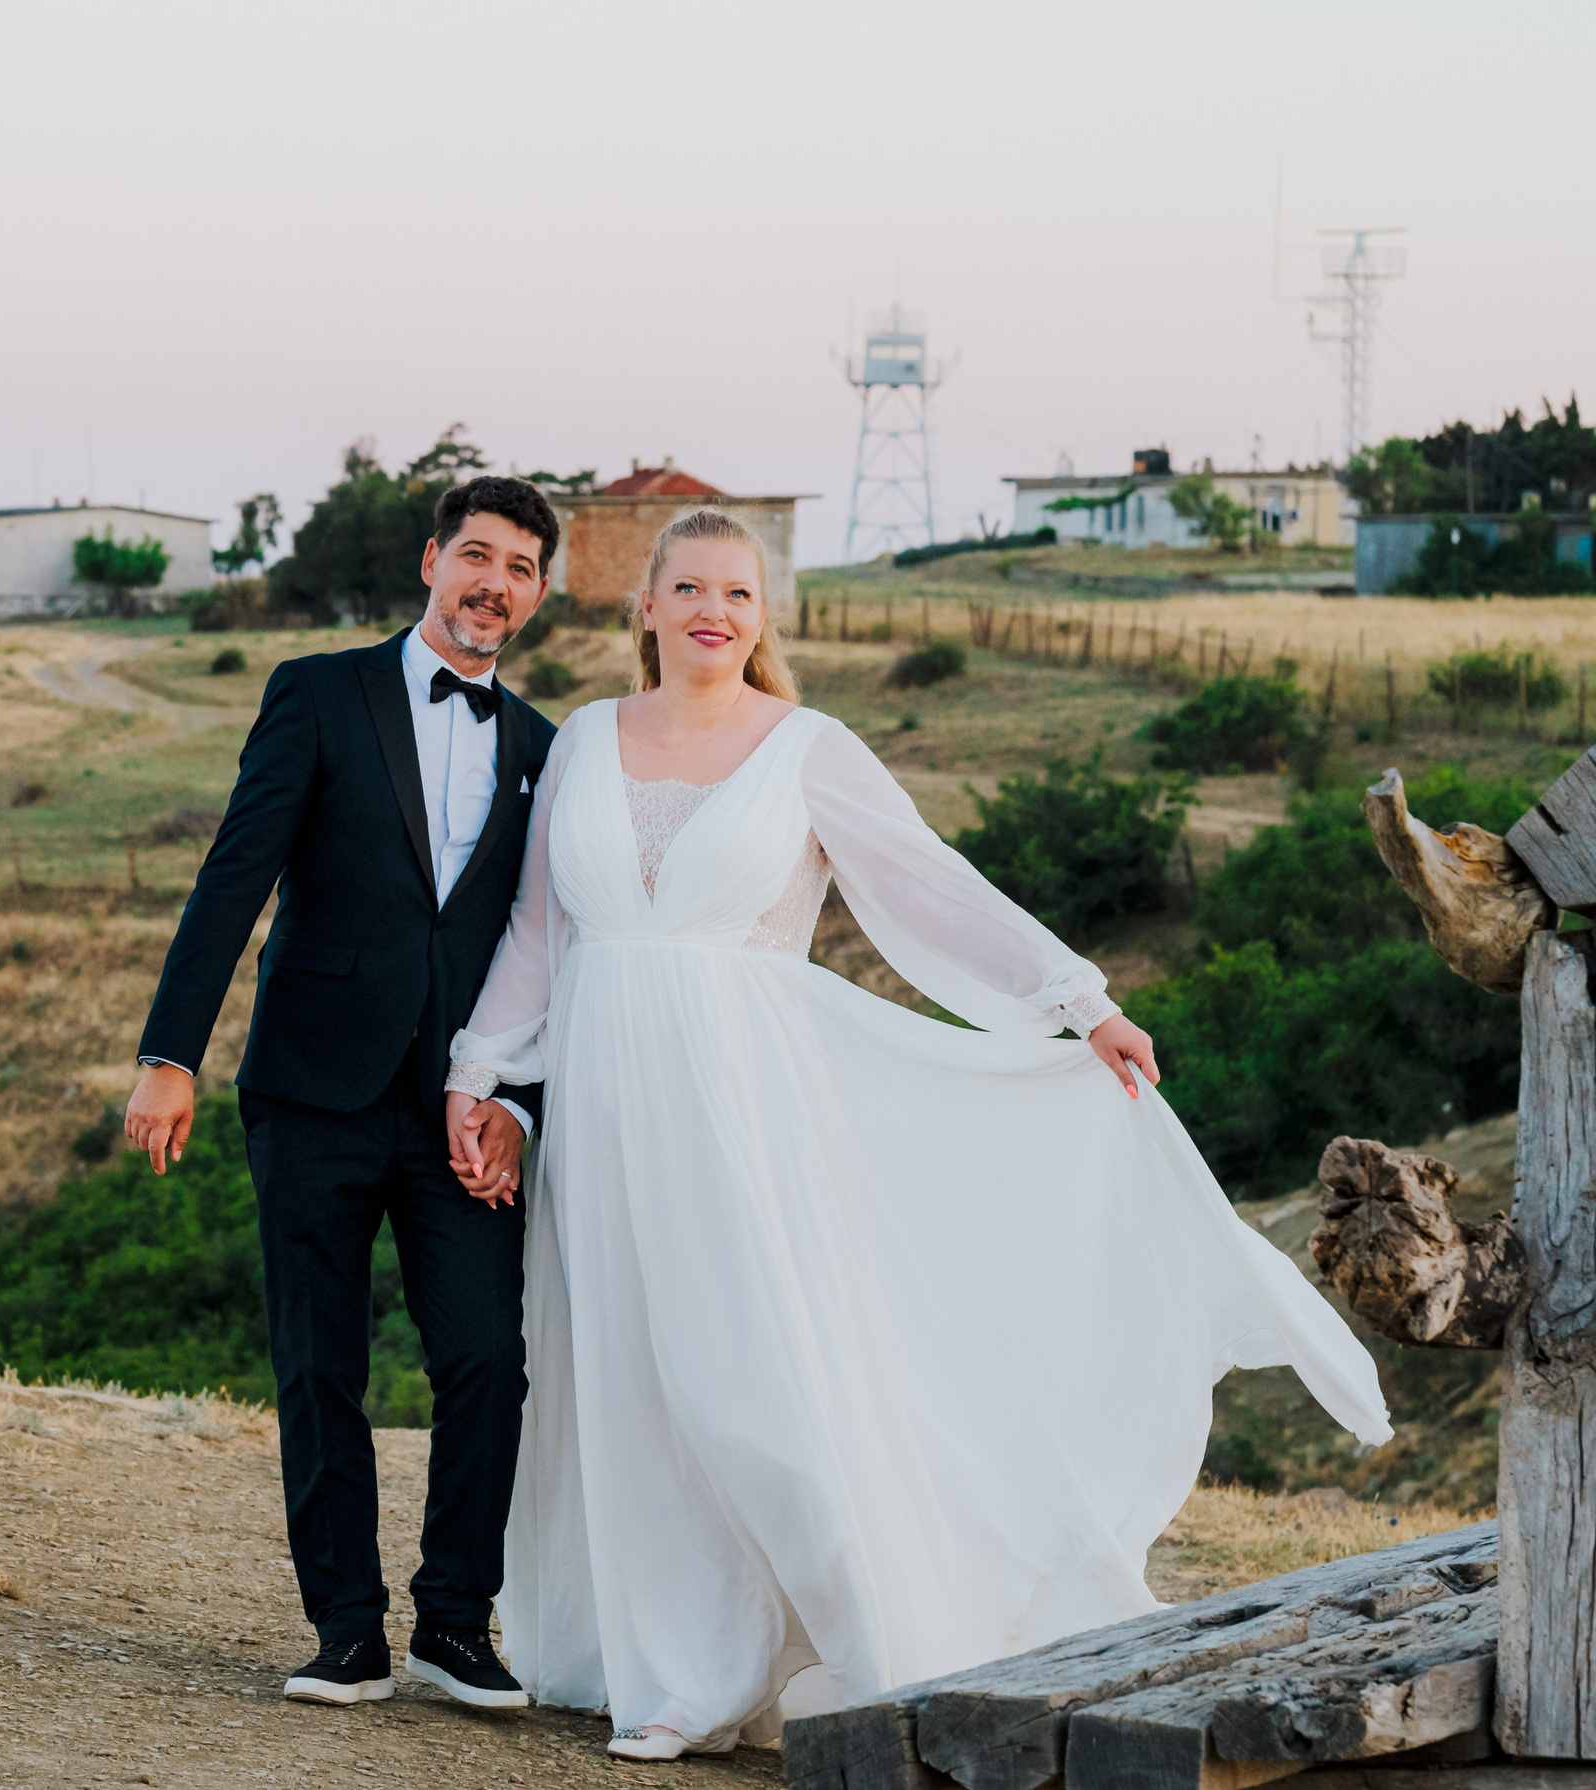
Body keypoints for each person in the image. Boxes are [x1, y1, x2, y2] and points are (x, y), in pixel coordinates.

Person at [441, 506, 1391, 1762]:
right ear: (648, 606)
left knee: (749, 1379)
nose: (715, 610)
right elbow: (537, 931)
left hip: (743, 1107)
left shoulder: (807, 745)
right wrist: (481, 1071)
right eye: (692, 588)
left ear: (762, 616)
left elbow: (932, 884)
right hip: (603, 1107)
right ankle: (675, 1674)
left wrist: (1078, 998)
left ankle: (850, 1632)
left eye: (739, 592)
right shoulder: (582, 741)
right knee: (632, 1384)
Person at [124, 475, 561, 1712]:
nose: (493, 583)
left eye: (519, 567)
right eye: (477, 555)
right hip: (311, 1084)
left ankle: (455, 1623)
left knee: (487, 1359)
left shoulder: (544, 747)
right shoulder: (318, 691)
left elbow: (542, 947)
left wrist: (516, 1104)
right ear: (431, 560)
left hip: (459, 1108)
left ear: (538, 593)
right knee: (319, 1363)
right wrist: (170, 1054)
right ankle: (347, 1630)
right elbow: (234, 873)